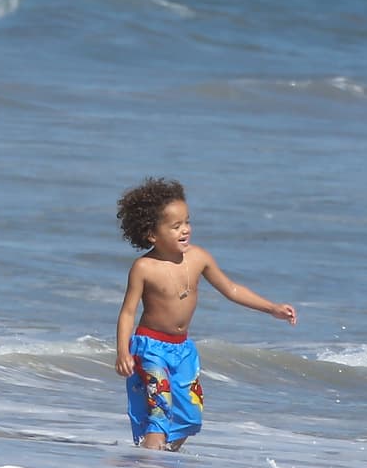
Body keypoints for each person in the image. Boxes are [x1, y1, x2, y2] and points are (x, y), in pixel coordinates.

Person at [114, 177, 296, 451]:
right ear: (152, 234)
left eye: (187, 222)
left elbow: (232, 289)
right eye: (175, 226)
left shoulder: (199, 257)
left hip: (183, 350)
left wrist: (271, 308)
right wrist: (122, 352)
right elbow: (128, 313)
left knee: (190, 417)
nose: (185, 230)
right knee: (160, 413)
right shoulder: (144, 268)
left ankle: (155, 456)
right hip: (151, 349)